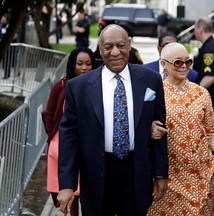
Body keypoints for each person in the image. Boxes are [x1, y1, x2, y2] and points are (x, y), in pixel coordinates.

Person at [57, 24, 168, 216]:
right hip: (96, 175)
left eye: (120, 45)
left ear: (129, 46)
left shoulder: (151, 79)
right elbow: (69, 137)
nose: (115, 52)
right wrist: (67, 185)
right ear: (100, 49)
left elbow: (159, 126)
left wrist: (160, 173)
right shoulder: (79, 87)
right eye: (108, 47)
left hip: (137, 172)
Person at [147, 42, 214, 215]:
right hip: (169, 177)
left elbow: (212, 132)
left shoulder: (202, 93)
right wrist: (149, 129)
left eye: (188, 62)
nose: (184, 66)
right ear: (164, 64)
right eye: (178, 62)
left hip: (203, 174)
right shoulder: (154, 94)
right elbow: (141, 128)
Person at [43, 47, 97, 216]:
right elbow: (50, 112)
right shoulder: (61, 86)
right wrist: (53, 134)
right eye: (79, 63)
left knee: (88, 189)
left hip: (89, 143)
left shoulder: (98, 86)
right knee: (64, 187)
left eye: (88, 64)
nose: (84, 68)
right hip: (62, 142)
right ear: (72, 65)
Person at [193, 16, 214, 106]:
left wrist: (194, 94)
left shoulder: (210, 48)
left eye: (195, 28)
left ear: (200, 29)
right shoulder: (211, 46)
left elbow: (210, 76)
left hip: (210, 97)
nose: (194, 31)